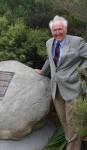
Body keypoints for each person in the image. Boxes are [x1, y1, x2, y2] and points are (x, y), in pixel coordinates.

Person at [35, 15, 87, 150]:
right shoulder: (49, 42)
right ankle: (75, 141)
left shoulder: (77, 42)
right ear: (51, 31)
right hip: (56, 88)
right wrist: (42, 72)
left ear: (66, 29)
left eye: (60, 29)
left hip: (73, 88)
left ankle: (73, 147)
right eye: (54, 30)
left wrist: (81, 71)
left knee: (73, 123)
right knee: (64, 121)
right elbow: (49, 60)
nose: (57, 32)